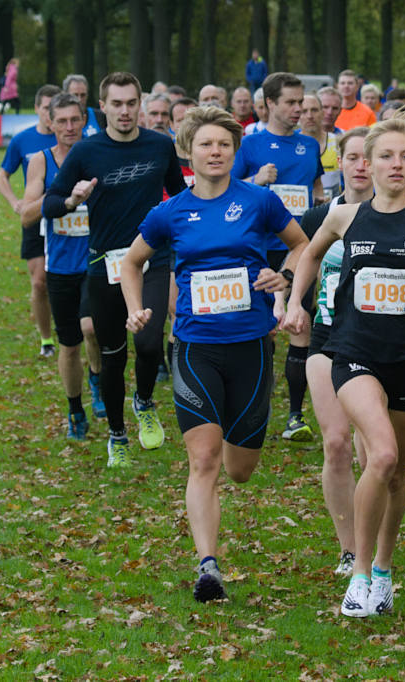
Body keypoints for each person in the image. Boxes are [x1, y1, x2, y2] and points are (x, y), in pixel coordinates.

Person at [283, 118, 405, 618]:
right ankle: (359, 573)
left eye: (403, 156)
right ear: (366, 165)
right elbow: (308, 258)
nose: (396, 165)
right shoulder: (346, 218)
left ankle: (385, 569)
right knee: (384, 455)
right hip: (353, 353)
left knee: (397, 476)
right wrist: (295, 302)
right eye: (386, 157)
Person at [121, 105, 306, 602]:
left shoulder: (259, 202)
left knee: (240, 470)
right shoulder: (171, 211)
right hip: (195, 347)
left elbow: (302, 245)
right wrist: (137, 310)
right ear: (188, 152)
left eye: (224, 144)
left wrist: (283, 277)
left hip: (252, 347)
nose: (215, 151)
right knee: (202, 461)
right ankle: (208, 568)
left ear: (234, 150)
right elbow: (132, 263)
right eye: (205, 144)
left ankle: (232, 439)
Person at [43, 71, 186, 466]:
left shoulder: (160, 146)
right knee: (111, 354)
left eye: (131, 103)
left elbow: (180, 196)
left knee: (148, 342)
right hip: (105, 263)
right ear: (101, 107)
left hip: (152, 259)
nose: (125, 111)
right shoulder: (87, 152)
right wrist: (72, 199)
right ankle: (118, 435)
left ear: (140, 104)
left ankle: (143, 400)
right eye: (116, 104)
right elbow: (50, 204)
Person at [232, 71, 324, 441]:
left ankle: (295, 417)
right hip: (259, 249)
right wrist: (256, 181)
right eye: (290, 102)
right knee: (261, 332)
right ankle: (254, 408)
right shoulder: (249, 146)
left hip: (300, 247)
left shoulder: (309, 145)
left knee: (301, 325)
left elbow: (316, 187)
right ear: (269, 103)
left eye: (301, 102)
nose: (298, 108)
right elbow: (228, 193)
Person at [299, 126, 373, 575]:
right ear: (339, 163)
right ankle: (348, 548)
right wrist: (289, 300)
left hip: (378, 343)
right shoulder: (318, 217)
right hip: (326, 340)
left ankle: (372, 543)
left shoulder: (402, 215)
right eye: (353, 158)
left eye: (370, 157)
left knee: (372, 454)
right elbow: (297, 259)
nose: (361, 166)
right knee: (336, 443)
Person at [19, 93, 105, 438]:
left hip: (96, 261)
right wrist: (64, 197)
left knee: (91, 329)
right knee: (69, 344)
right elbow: (27, 215)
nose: (70, 127)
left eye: (76, 120)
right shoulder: (41, 161)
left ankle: (97, 379)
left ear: (84, 120)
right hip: (60, 267)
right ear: (50, 124)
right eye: (62, 121)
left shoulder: (99, 154)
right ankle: (75, 409)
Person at [0, 83, 61, 358]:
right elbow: (2, 176)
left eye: (53, 108)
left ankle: (77, 328)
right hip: (36, 216)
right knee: (39, 282)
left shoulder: (72, 140)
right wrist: (15, 203)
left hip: (69, 218)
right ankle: (46, 339)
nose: (49, 113)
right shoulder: (22, 140)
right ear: (36, 109)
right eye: (45, 108)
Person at [299, 92, 341, 201]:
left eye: (314, 110)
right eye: (304, 111)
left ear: (322, 113)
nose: (310, 116)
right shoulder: (290, 144)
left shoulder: (337, 141)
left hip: (333, 210)